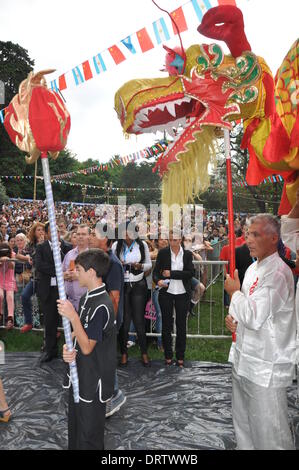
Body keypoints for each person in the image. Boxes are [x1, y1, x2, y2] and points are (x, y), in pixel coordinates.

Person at [225, 214, 296, 450]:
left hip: (266, 366)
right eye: (247, 234)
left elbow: (254, 316)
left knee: (269, 432)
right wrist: (234, 320)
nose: (249, 240)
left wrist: (234, 294)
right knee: (243, 426)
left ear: (274, 238)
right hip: (244, 358)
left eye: (256, 234)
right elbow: (246, 314)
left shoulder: (277, 274)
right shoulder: (254, 268)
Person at [57, 249, 116, 450]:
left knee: (89, 434)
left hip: (94, 378)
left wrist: (72, 317)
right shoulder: (86, 299)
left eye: (79, 270)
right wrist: (68, 346)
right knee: (76, 428)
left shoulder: (101, 305)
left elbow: (88, 346)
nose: (76, 274)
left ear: (91, 272)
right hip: (81, 375)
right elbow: (78, 334)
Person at [89, 223, 126, 417]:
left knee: (105, 358)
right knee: (100, 357)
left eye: (95, 235)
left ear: (106, 240)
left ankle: (114, 395)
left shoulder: (113, 264)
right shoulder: (100, 260)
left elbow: (115, 297)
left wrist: (109, 323)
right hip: (100, 317)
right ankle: (107, 394)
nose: (91, 237)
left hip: (108, 319)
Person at [112, 222, 151, 367]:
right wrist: (119, 264)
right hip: (123, 285)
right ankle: (123, 353)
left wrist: (139, 266)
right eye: (125, 232)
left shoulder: (142, 245)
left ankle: (144, 353)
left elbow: (149, 265)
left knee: (139, 320)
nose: (127, 235)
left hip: (138, 284)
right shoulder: (116, 245)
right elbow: (111, 262)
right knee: (125, 320)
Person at [153, 230, 195, 367]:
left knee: (181, 325)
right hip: (166, 293)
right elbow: (155, 273)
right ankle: (168, 356)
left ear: (181, 240)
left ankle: (180, 356)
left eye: (176, 240)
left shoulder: (187, 254)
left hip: (182, 293)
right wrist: (158, 280)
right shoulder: (163, 253)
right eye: (171, 240)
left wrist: (172, 274)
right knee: (166, 325)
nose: (173, 243)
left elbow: (190, 273)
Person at [35, 222, 72, 362]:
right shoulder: (41, 247)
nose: (55, 234)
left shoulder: (67, 247)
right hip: (47, 290)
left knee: (67, 321)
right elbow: (40, 265)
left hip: (64, 290)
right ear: (46, 233)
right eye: (52, 231)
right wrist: (59, 272)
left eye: (57, 231)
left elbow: (69, 264)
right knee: (50, 322)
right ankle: (50, 350)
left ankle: (69, 351)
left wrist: (60, 252)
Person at [20, 222, 45, 333]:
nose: (41, 232)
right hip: (35, 277)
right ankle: (29, 322)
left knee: (46, 303)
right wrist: (27, 258)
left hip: (46, 278)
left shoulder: (48, 243)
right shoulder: (31, 244)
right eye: (38, 230)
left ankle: (52, 327)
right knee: (25, 296)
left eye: (42, 230)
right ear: (34, 232)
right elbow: (18, 254)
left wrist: (41, 245)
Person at [62, 224, 90, 311]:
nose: (80, 237)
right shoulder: (69, 254)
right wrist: (65, 275)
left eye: (83, 234)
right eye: (78, 234)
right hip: (70, 302)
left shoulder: (92, 255)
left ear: (89, 236)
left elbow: (97, 277)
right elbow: (61, 273)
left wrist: (78, 276)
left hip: (88, 302)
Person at [0, 242, 17, 329]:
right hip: (0, 278)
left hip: (9, 279)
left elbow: (12, 266)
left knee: (10, 297)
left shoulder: (12, 254)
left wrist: (8, 259)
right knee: (0, 295)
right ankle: (1, 313)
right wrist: (1, 261)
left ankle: (10, 318)